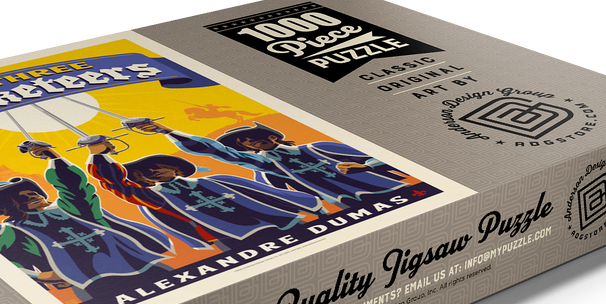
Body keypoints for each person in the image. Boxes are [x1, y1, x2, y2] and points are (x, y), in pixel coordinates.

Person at [0, 142, 174, 300]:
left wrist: (53, 157)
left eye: (33, 192)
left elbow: (75, 188)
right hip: (92, 282)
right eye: (22, 197)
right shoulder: (8, 232)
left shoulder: (70, 209)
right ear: (7, 207)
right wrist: (39, 276)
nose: (33, 195)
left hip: (142, 264)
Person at [85, 138, 326, 252]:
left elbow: (264, 192)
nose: (152, 173)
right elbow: (116, 185)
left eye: (156, 167)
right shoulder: (156, 199)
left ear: (176, 168)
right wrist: (99, 154)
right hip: (234, 239)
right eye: (143, 174)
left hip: (284, 222)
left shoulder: (216, 180)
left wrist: (314, 207)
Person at [126, 121, 419, 205]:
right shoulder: (269, 166)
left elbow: (377, 156)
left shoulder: (318, 146)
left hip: (391, 189)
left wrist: (367, 166)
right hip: (348, 202)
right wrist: (168, 132)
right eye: (244, 144)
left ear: (270, 136)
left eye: (252, 139)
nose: (250, 144)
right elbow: (216, 151)